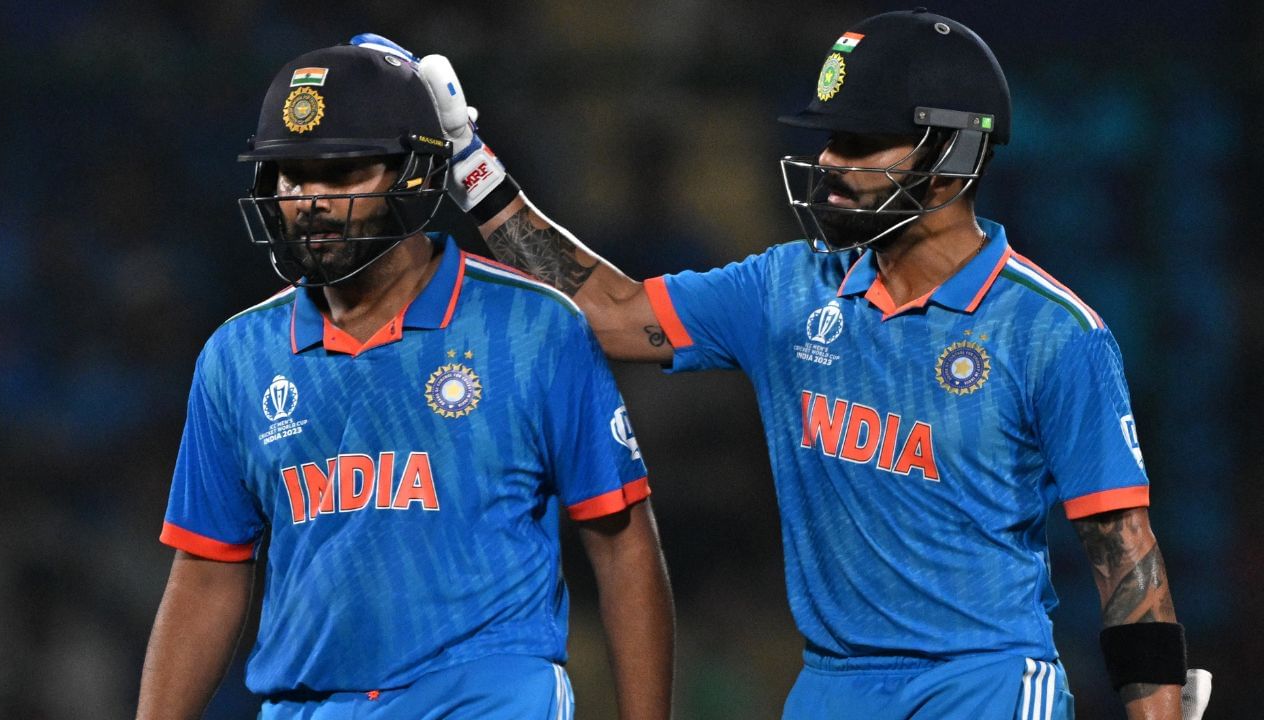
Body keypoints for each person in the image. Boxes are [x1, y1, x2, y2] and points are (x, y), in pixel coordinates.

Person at [395, 9, 1199, 720]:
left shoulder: (1055, 333)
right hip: (830, 688)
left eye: (858, 143)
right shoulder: (786, 288)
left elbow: (1122, 548)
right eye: (828, 140)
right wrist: (472, 166)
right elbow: (606, 313)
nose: (829, 165)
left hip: (981, 684)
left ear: (953, 155)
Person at [136, 42, 674, 720]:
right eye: (291, 176)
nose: (309, 201)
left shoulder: (533, 327)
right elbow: (210, 570)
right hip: (308, 705)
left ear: (416, 175)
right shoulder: (236, 356)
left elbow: (622, 545)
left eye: (340, 175)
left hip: (486, 694)